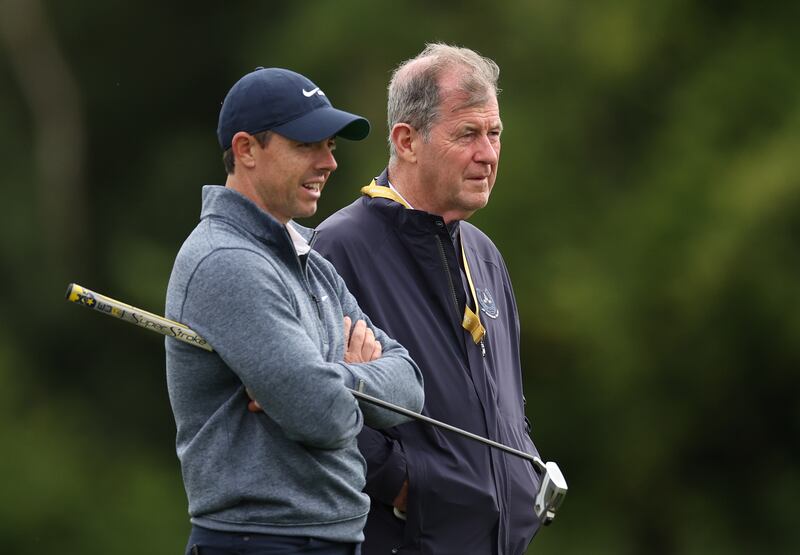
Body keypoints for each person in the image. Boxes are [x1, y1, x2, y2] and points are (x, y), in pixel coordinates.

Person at [165, 67, 425, 555]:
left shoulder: (309, 258)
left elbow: (410, 387)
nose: (329, 162)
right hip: (260, 540)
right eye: (308, 145)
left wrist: (328, 377)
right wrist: (332, 385)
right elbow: (322, 415)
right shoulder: (226, 261)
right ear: (246, 150)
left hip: (328, 538)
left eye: (330, 146)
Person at [313, 44, 542, 554]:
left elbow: (507, 404)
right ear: (407, 140)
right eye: (468, 134)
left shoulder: (483, 253)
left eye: (495, 133)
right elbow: (304, 401)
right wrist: (408, 487)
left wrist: (521, 471)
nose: (488, 154)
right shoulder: (338, 248)